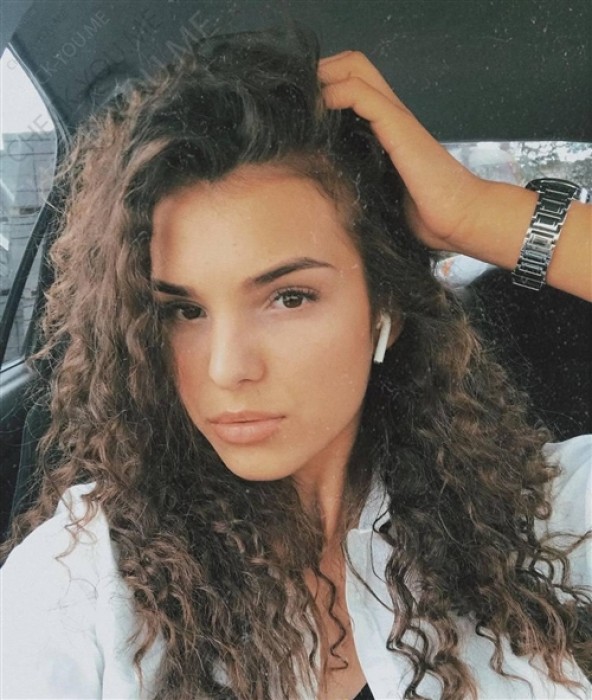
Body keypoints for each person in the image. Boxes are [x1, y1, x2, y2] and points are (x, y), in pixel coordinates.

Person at [1, 28, 590, 700]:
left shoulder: (535, 521)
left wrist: (476, 213)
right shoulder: (80, 583)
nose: (227, 368)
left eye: (289, 297)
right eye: (184, 310)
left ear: (384, 309)